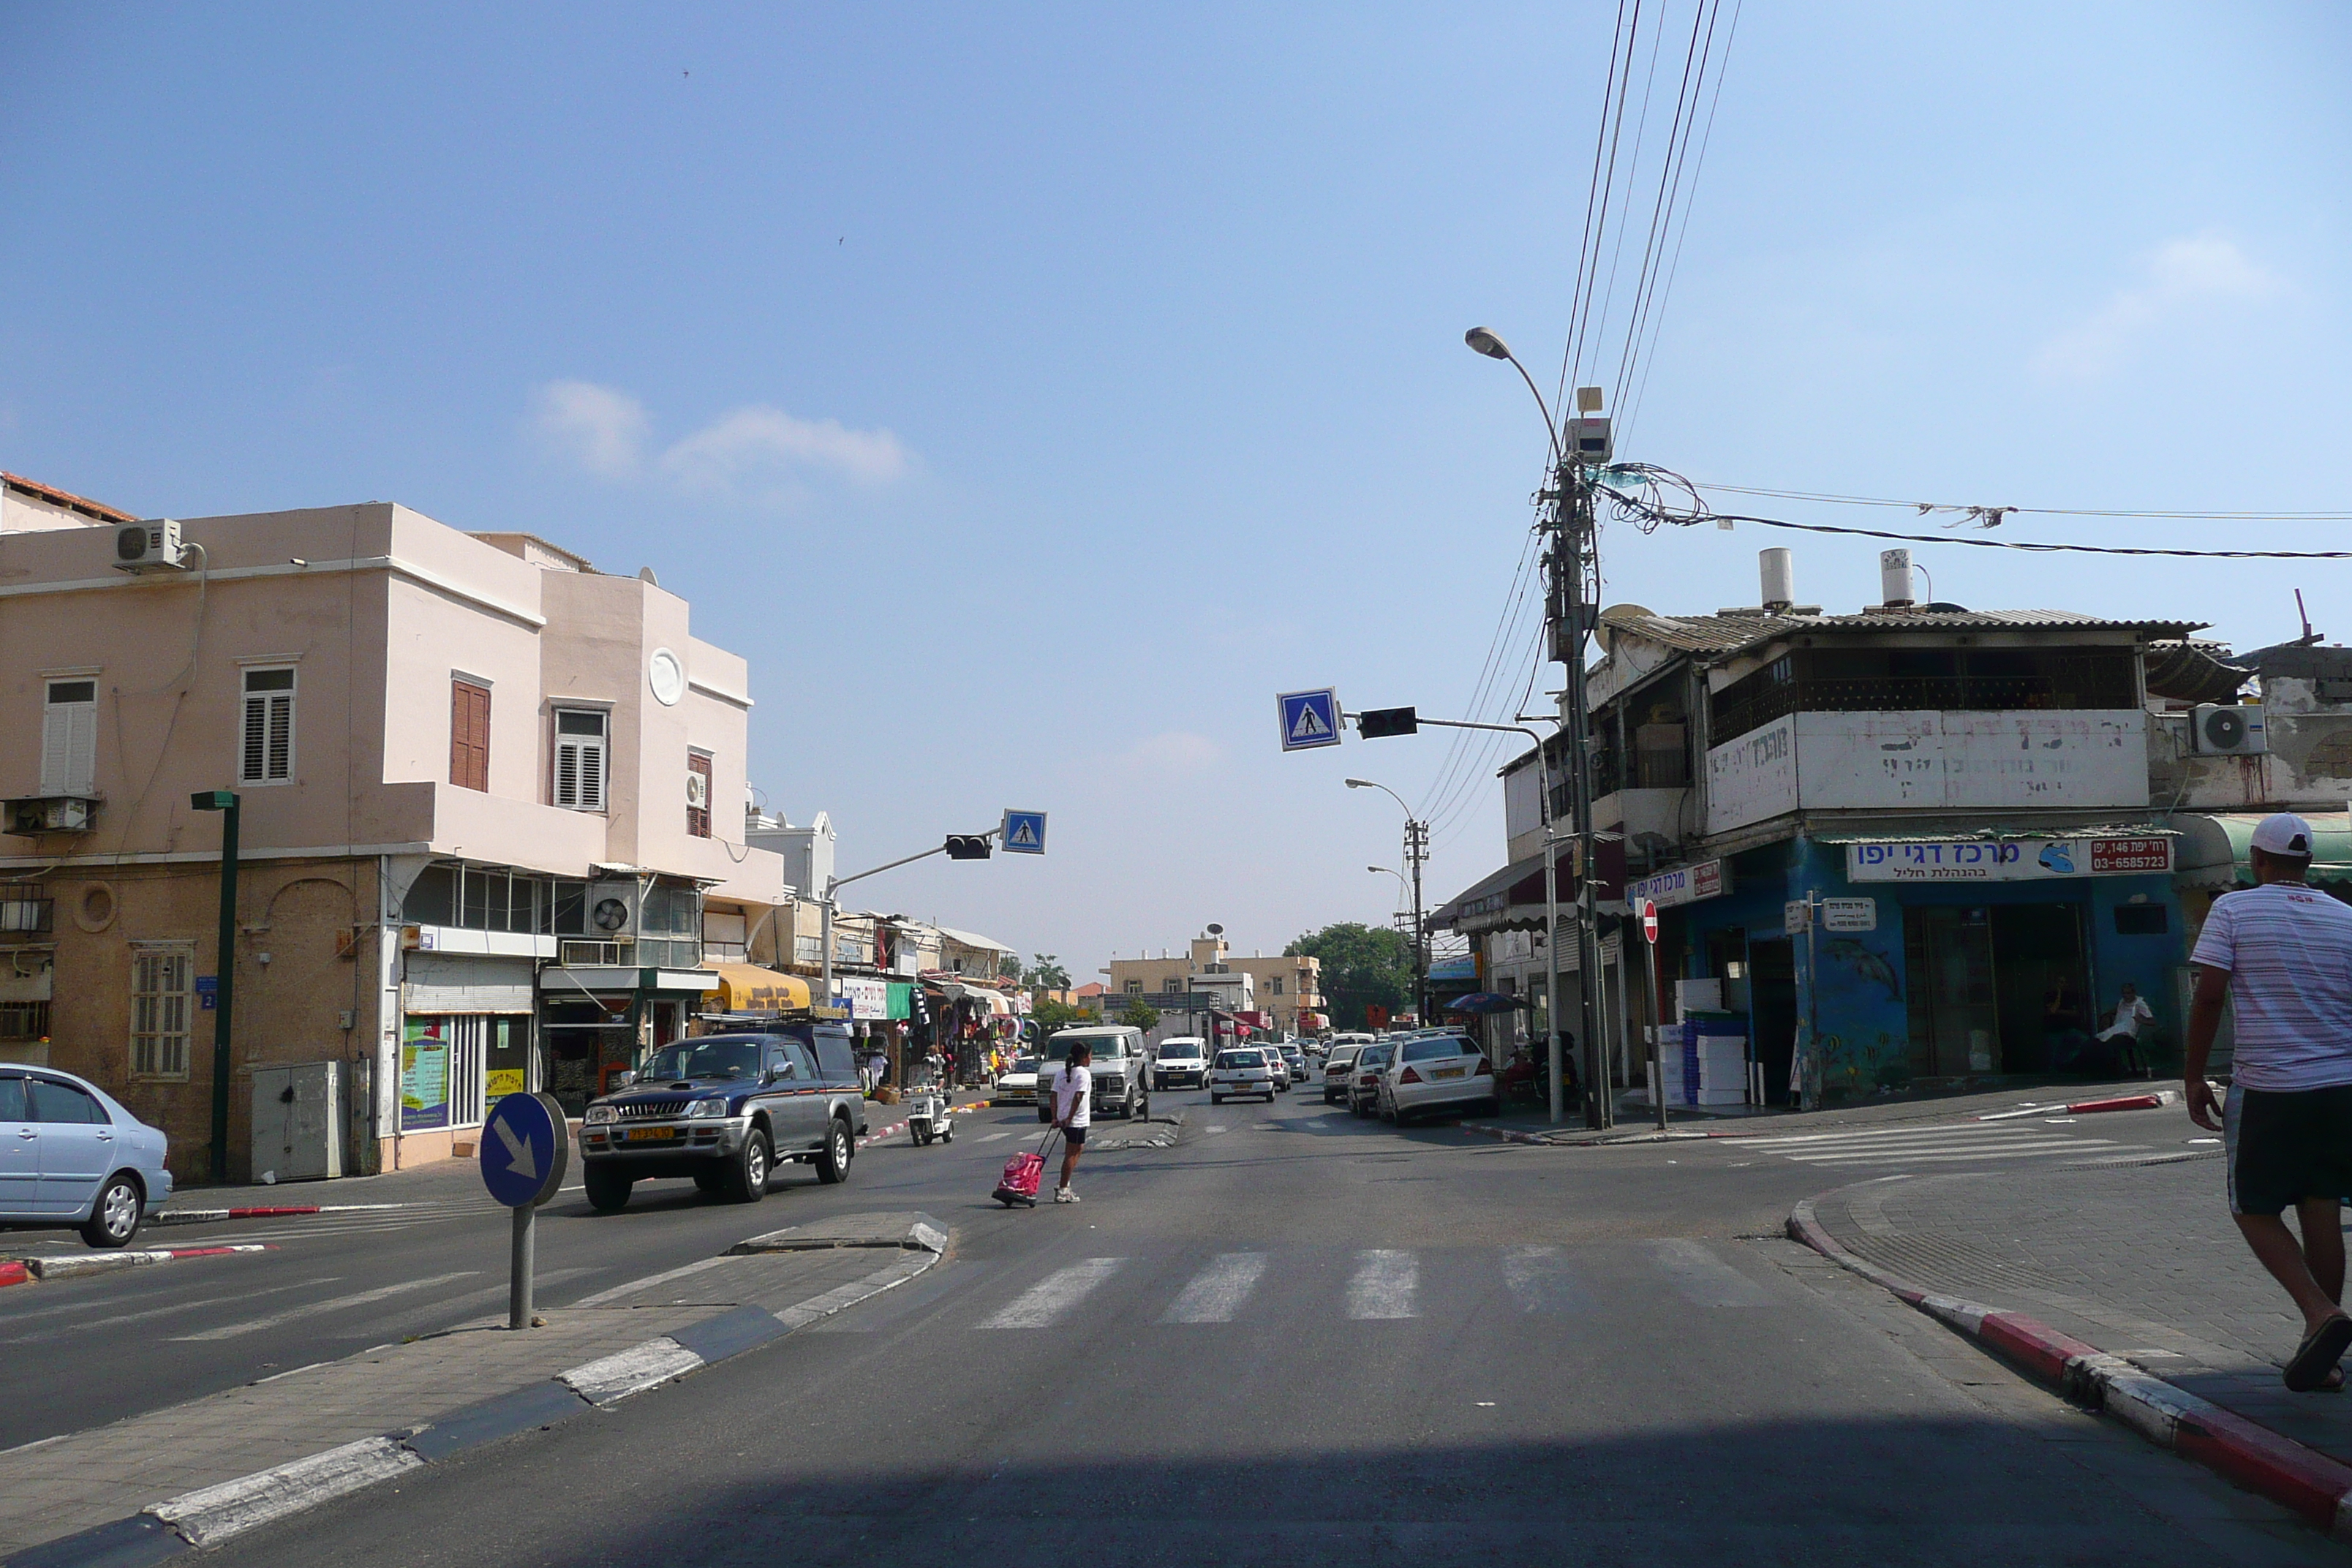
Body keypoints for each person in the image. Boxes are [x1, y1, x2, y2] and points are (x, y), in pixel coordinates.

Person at [2185, 813, 2352, 1393]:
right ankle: (2322, 1354)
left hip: (2270, 1087)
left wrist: (2193, 1077)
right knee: (2321, 1207)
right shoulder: (2345, 918)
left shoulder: (2234, 910)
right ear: (2308, 863)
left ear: (2255, 861)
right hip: (2339, 1088)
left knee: (2252, 1207)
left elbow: (2208, 997)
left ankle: (2319, 1314)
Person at [1047, 1039, 1092, 1204]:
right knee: (1073, 1154)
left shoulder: (1061, 1073)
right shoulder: (1084, 1074)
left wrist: (1055, 1117)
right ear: (1084, 1057)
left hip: (1064, 1119)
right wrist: (1070, 1118)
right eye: (1090, 1055)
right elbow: (1078, 1096)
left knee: (1074, 1151)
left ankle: (1065, 1185)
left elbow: (1053, 1096)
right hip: (1076, 1120)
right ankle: (1063, 1189)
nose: (1091, 1059)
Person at [2096, 981, 2156, 1078]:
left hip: (2128, 1035)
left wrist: (2141, 1020)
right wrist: (2106, 1018)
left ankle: (2119, 1071)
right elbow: (2113, 1012)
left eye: (2128, 993)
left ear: (2133, 993)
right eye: (2124, 993)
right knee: (2097, 1043)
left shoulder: (2139, 1004)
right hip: (2116, 1031)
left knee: (2112, 1045)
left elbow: (2152, 1021)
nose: (2126, 996)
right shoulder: (2121, 1003)